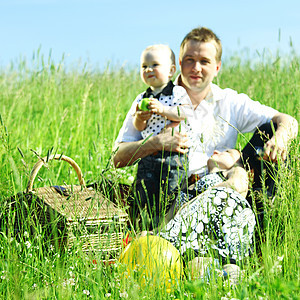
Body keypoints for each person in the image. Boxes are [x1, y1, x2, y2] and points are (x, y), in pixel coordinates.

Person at [113, 26, 298, 200]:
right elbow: (117, 157)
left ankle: (264, 221)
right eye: (190, 60)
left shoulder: (229, 101)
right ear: (178, 63)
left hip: (219, 188)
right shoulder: (151, 99)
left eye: (204, 61)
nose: (196, 68)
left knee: (271, 130)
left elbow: (288, 121)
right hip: (167, 194)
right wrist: (155, 143)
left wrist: (280, 138)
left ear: (217, 68)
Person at [131, 44, 194, 227]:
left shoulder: (178, 92)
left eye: (155, 65)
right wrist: (140, 117)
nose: (148, 69)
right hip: (148, 155)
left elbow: (185, 113)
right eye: (144, 66)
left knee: (170, 193)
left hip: (174, 157)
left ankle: (166, 228)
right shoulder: (142, 98)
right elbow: (139, 126)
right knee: (143, 192)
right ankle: (142, 227)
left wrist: (164, 110)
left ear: (171, 71)